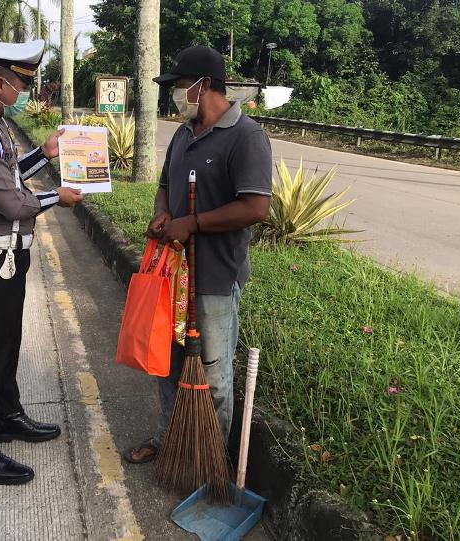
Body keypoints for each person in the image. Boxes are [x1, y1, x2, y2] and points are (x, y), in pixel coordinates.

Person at [123, 45, 272, 464]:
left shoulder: (247, 137)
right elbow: (166, 187)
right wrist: (162, 214)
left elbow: (256, 207)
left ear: (203, 86)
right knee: (167, 363)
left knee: (214, 375)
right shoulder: (184, 134)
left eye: (180, 86)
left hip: (215, 277)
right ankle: (168, 437)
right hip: (172, 274)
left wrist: (194, 223)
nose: (176, 95)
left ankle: (211, 460)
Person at [0, 38, 84, 486]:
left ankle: (6, 417)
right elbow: (11, 203)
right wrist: (55, 197)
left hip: (8, 255)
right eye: (22, 83)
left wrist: (43, 155)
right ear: (1, 83)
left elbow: (9, 174)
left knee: (8, 342)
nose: (24, 90)